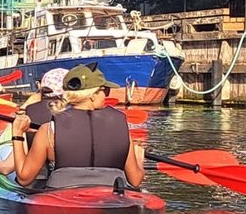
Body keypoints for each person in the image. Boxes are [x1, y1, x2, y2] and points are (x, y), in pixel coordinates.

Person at [10, 63, 145, 189]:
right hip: (111, 196)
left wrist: (17, 134)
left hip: (61, 197)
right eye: (106, 90)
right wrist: (139, 160)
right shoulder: (120, 125)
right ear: (93, 95)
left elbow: (24, 178)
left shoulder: (48, 130)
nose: (107, 95)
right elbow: (135, 180)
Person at [0, 67, 68, 177]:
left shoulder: (30, 111)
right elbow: (2, 90)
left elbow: (7, 167)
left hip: (35, 180)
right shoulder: (78, 114)